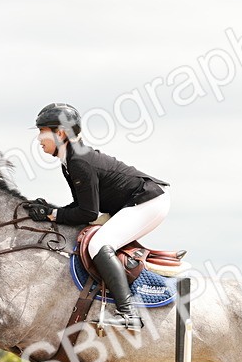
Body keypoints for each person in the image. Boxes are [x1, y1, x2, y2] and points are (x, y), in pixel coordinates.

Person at [27, 102, 170, 331]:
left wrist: (52, 214)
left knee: (99, 244)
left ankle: (128, 313)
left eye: (42, 132)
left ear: (60, 133)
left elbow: (88, 213)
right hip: (134, 203)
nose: (38, 139)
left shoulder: (78, 162)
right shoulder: (69, 161)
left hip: (148, 202)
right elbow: (82, 206)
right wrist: (51, 212)